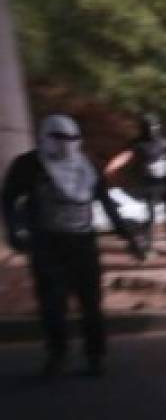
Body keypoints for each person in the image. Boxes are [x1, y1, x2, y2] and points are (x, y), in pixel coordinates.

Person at [2, 115, 141, 377]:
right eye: (59, 138)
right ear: (45, 137)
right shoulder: (29, 165)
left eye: (72, 138)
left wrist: (128, 236)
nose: (66, 144)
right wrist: (13, 231)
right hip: (46, 242)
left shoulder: (87, 166)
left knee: (91, 301)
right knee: (52, 303)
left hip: (82, 242)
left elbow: (106, 203)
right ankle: (57, 354)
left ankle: (95, 355)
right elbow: (9, 198)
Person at [104, 112, 166, 255]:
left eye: (154, 126)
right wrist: (112, 167)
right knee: (149, 216)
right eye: (148, 126)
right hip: (147, 185)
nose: (151, 129)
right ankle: (147, 245)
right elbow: (125, 156)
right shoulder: (137, 144)